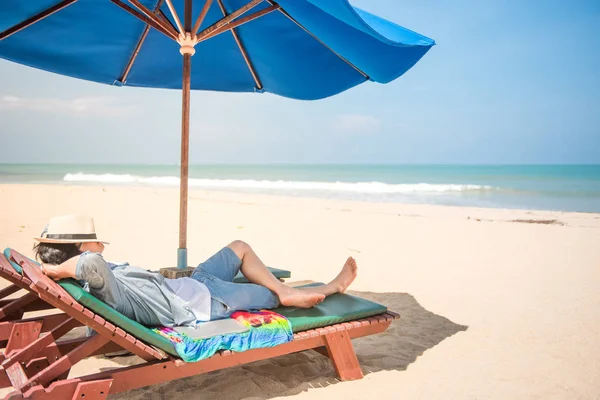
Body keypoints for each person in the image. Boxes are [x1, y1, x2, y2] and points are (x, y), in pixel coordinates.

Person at [33, 215, 358, 328]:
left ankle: (283, 289)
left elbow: (91, 270)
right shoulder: (96, 279)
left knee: (239, 245)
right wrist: (56, 271)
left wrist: (58, 270)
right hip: (206, 303)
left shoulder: (93, 278)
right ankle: (330, 288)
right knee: (275, 296)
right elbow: (90, 265)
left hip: (193, 283)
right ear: (82, 248)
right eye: (92, 241)